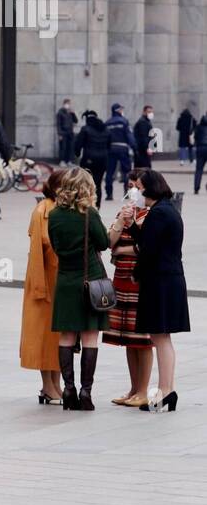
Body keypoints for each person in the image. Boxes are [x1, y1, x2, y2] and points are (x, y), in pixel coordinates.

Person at [124, 169, 188, 412]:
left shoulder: (159, 213)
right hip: (168, 278)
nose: (136, 192)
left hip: (161, 280)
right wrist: (132, 225)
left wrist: (136, 273)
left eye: (139, 188)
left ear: (150, 188)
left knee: (160, 337)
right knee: (162, 338)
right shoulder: (164, 210)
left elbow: (148, 250)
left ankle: (165, 391)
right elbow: (149, 241)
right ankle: (166, 390)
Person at [47, 167, 110, 411]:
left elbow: (55, 246)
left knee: (66, 335)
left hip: (65, 280)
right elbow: (103, 243)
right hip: (90, 280)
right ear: (87, 188)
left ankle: (68, 389)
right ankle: (86, 392)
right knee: (90, 336)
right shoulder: (89, 214)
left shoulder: (53, 215)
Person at [103, 174, 153, 407]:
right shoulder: (124, 213)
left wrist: (125, 247)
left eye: (138, 187)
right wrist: (122, 223)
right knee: (127, 338)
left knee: (141, 338)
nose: (133, 191)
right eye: (130, 186)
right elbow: (109, 243)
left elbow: (143, 248)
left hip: (140, 281)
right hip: (120, 279)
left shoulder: (152, 214)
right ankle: (133, 389)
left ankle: (143, 390)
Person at [20, 170, 64, 403]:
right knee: (42, 335)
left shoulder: (62, 209)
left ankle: (56, 383)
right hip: (44, 280)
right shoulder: (42, 211)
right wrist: (39, 287)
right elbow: (38, 251)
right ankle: (47, 385)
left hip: (60, 282)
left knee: (58, 335)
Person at [74, 110, 110, 208]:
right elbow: (109, 145)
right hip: (102, 160)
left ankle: (86, 205)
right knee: (98, 184)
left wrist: (77, 154)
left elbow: (78, 144)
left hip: (88, 160)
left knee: (85, 183)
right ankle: (97, 207)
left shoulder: (85, 129)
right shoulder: (106, 129)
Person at [103, 103, 135, 200]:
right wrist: (134, 147)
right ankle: (127, 193)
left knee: (109, 172)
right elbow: (129, 136)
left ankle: (109, 194)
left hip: (111, 150)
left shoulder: (107, 123)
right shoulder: (124, 122)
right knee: (127, 172)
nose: (122, 111)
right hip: (123, 149)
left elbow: (105, 138)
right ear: (118, 110)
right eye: (121, 109)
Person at [56, 99, 77, 164]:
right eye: (67, 103)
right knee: (63, 147)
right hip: (63, 132)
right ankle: (62, 161)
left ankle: (69, 160)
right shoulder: (60, 113)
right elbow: (58, 124)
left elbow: (76, 121)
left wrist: (73, 114)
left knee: (70, 147)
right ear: (64, 104)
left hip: (70, 132)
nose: (68, 105)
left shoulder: (70, 113)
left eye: (69, 104)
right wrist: (59, 134)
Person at [195, 110, 207, 194]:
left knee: (199, 170)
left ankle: (196, 188)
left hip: (200, 148)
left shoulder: (199, 126)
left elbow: (196, 137)